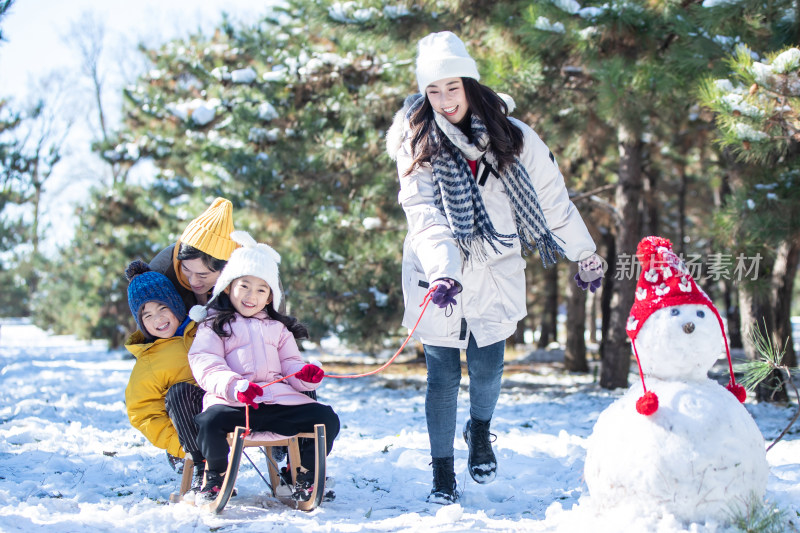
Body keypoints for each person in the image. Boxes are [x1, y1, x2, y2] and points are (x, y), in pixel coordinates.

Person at [386, 31, 602, 504]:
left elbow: (553, 202)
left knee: (487, 370)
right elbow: (422, 213)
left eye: (452, 88)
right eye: (433, 91)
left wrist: (583, 254)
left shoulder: (514, 135)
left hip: (497, 267)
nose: (444, 101)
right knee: (441, 374)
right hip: (436, 272)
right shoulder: (416, 141)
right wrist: (444, 269)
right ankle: (443, 472)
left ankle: (479, 430)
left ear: (470, 84)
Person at [187, 230, 340, 503]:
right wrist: (235, 386)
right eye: (244, 285)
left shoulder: (278, 329)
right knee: (209, 421)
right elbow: (206, 363)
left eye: (261, 289)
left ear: (270, 297)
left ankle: (302, 473)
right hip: (234, 404)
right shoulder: (213, 325)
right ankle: (216, 479)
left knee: (326, 418)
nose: (251, 295)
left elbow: (291, 364)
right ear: (228, 286)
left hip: (277, 403)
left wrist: (305, 376)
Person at [123, 260, 207, 493]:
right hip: (191, 429)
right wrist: (176, 443)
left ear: (176, 306)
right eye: (147, 315)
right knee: (178, 392)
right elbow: (143, 412)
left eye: (162, 308)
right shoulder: (149, 360)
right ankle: (197, 463)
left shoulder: (204, 331)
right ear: (141, 323)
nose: (158, 319)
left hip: (223, 411)